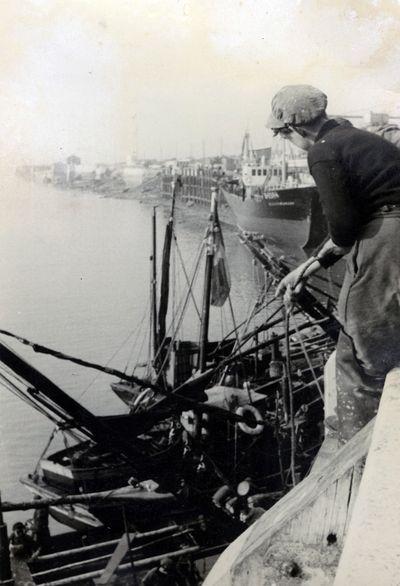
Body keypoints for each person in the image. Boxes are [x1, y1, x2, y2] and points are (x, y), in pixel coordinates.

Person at [267, 84, 400, 443]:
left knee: (358, 343)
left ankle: (357, 446)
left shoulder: (323, 152)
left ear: (296, 128)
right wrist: (304, 270)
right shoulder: (357, 138)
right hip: (388, 231)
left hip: (387, 235)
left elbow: (343, 228)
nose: (286, 141)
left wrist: (311, 265)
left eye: (283, 134)